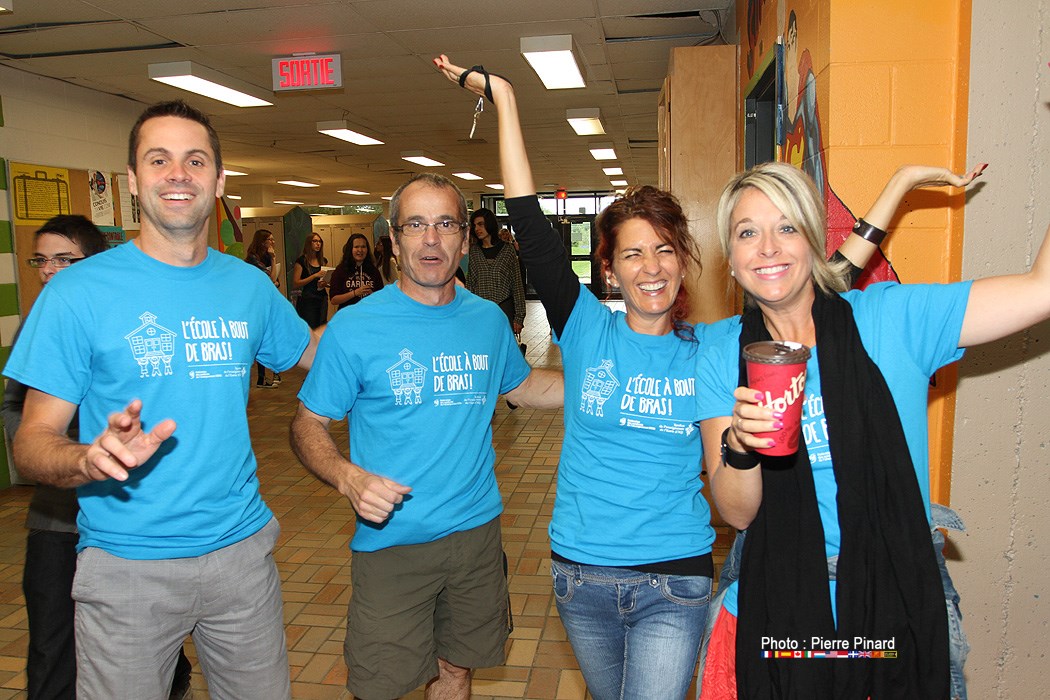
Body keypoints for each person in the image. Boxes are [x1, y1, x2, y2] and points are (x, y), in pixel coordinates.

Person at [435, 54, 975, 700]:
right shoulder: (584, 329)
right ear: (609, 272)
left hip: (675, 575)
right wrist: (507, 98)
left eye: (665, 249)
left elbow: (818, 279)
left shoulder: (716, 348)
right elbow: (528, 221)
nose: (652, 266)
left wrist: (894, 193)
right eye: (633, 253)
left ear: (685, 262)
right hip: (580, 573)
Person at [3, 100, 320, 699]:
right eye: (159, 159)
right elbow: (30, 445)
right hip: (127, 567)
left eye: (195, 160)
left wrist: (405, 308)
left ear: (219, 181)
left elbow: (313, 355)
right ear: (134, 182)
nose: (178, 173)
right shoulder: (75, 293)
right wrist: (85, 459)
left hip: (241, 558)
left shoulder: (247, 285)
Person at [695, 160, 1013, 699]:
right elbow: (738, 513)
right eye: (748, 232)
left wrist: (903, 180)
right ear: (731, 259)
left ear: (814, 240)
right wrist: (741, 446)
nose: (768, 247)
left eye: (787, 227)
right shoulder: (722, 352)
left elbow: (1041, 289)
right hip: (784, 610)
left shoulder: (891, 319)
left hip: (893, 598)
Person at [290, 172, 563, 700]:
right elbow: (307, 423)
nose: (431, 239)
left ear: (464, 237)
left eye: (445, 224)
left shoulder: (486, 321)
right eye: (415, 225)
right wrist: (346, 476)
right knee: (380, 685)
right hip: (392, 540)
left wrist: (603, 388)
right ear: (394, 241)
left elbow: (524, 385)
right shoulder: (356, 326)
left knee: (458, 670)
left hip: (475, 534)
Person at [2, 215, 192, 700]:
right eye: (41, 259)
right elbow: (15, 415)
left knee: (146, 638)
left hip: (130, 514)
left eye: (64, 259)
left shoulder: (123, 314)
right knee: (52, 642)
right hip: (59, 515)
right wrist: (67, 448)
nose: (49, 270)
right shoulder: (38, 326)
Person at [466, 207, 525, 334]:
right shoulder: (474, 252)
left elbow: (517, 284)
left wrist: (519, 317)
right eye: (475, 225)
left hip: (504, 308)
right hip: (480, 311)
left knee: (503, 350)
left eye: (481, 224)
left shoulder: (507, 250)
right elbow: (470, 284)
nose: (477, 229)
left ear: (490, 224)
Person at [245, 228, 283, 388]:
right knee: (260, 340)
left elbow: (275, 281)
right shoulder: (254, 259)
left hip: (266, 301)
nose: (273, 242)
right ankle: (261, 377)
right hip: (256, 303)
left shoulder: (263, 257)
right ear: (262, 242)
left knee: (267, 338)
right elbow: (271, 278)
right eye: (270, 239)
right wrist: (274, 259)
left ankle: (269, 374)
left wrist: (273, 281)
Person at [329, 233, 385, 310]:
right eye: (356, 247)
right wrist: (355, 293)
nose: (360, 250)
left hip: (368, 314)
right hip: (348, 315)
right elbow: (334, 300)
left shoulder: (374, 271)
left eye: (363, 247)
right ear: (350, 249)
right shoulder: (340, 270)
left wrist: (372, 295)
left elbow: (380, 297)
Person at [292, 232, 329, 327]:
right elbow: (296, 283)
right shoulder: (301, 261)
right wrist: (314, 276)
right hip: (308, 299)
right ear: (309, 243)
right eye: (315, 241)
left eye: (320, 241)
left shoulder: (323, 260)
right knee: (310, 326)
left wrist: (325, 283)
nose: (318, 244)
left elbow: (328, 280)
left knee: (322, 325)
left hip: (321, 297)